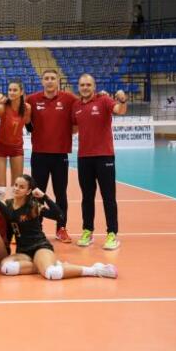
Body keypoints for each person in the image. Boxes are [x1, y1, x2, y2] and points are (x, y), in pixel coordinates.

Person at [0, 175, 117, 281]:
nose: (17, 188)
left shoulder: (34, 206)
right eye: (16, 185)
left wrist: (45, 197)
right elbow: (7, 214)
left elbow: (59, 216)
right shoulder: (8, 204)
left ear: (28, 191)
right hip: (23, 251)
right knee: (6, 267)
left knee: (52, 273)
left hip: (39, 247)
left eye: (21, 187)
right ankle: (44, 264)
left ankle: (94, 270)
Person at [73, 74, 128, 250]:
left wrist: (122, 100)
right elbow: (74, 128)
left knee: (108, 197)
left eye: (88, 84)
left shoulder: (104, 100)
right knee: (87, 197)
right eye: (82, 85)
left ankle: (112, 234)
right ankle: (87, 231)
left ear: (94, 86)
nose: (85, 87)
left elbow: (120, 110)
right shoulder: (76, 106)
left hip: (104, 156)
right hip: (84, 157)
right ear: (78, 87)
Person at [26, 69, 78, 243]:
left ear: (58, 81)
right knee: (37, 193)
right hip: (39, 154)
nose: (49, 81)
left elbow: (85, 103)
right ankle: (36, 228)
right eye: (46, 78)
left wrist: (101, 96)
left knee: (60, 193)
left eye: (52, 78)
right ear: (42, 81)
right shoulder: (32, 99)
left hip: (60, 155)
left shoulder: (69, 99)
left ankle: (61, 228)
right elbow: (20, 114)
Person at [0, 79, 31, 199]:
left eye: (15, 90)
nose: (11, 92)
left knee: (17, 188)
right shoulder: (3, 106)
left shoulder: (27, 108)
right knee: (1, 191)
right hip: (1, 147)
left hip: (17, 148)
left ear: (21, 92)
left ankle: (14, 210)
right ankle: (1, 209)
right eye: (10, 90)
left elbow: (29, 126)